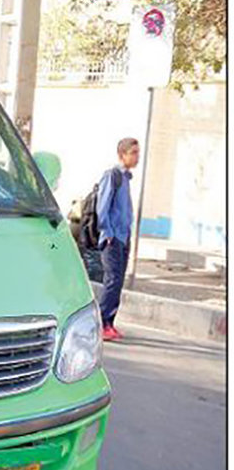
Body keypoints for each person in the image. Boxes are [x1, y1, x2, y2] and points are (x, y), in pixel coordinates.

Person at [97, 137, 140, 341]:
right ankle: (101, 322)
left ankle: (109, 323)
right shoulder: (112, 176)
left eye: (137, 152)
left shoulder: (125, 179)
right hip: (112, 239)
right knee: (112, 281)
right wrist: (109, 234)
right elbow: (102, 209)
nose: (137, 157)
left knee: (118, 282)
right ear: (122, 155)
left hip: (123, 238)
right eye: (133, 153)